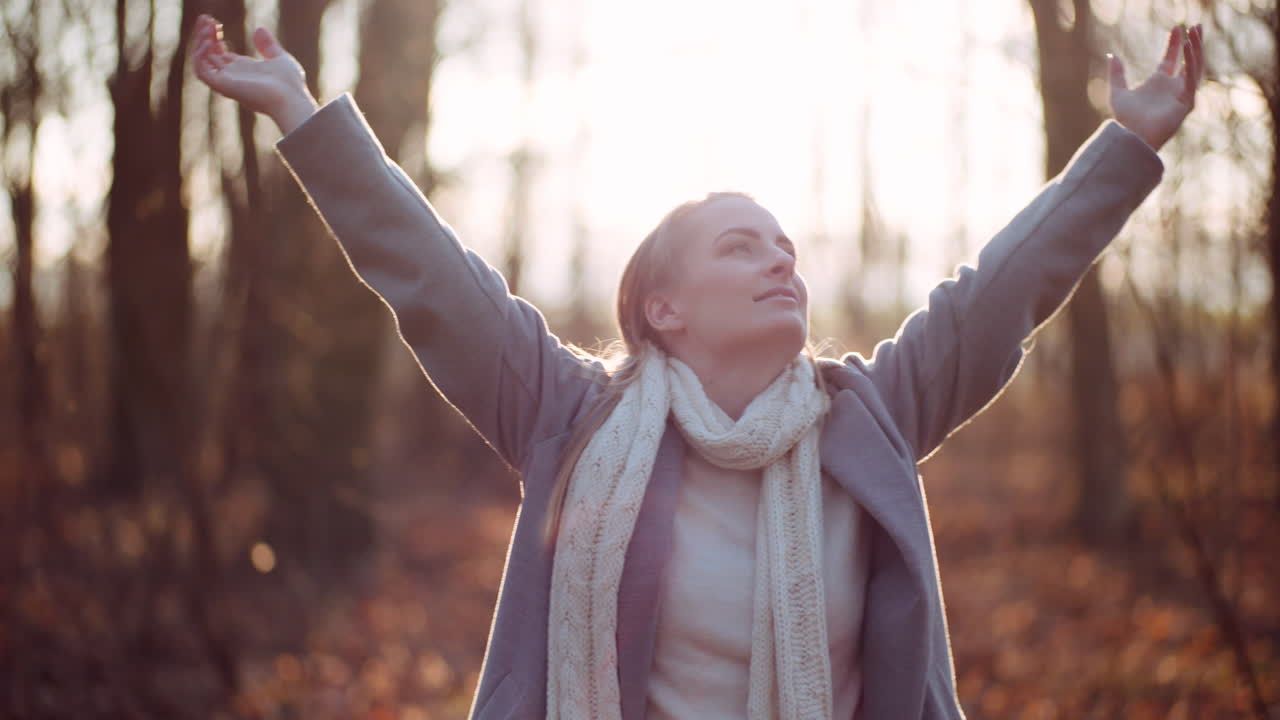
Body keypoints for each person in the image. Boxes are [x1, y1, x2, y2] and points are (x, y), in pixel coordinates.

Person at [191, 15, 1204, 720]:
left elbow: (1000, 294)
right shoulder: (570, 417)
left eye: (784, 247)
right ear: (661, 309)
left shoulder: (868, 416)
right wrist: (303, 116)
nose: (780, 260)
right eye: (739, 246)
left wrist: (1123, 145)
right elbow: (430, 278)